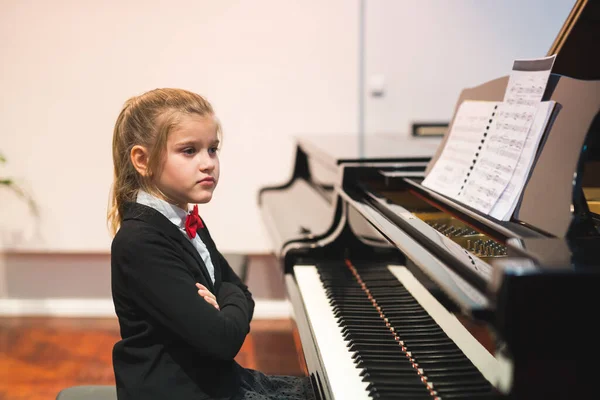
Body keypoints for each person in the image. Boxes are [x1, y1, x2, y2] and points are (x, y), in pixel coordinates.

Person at [107, 88, 315, 400]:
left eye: (213, 149)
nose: (208, 164)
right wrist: (225, 307)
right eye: (189, 151)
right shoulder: (140, 242)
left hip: (213, 378)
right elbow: (223, 340)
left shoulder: (187, 218)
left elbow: (237, 288)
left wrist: (223, 302)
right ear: (142, 159)